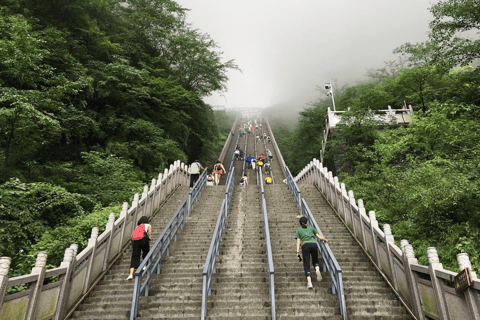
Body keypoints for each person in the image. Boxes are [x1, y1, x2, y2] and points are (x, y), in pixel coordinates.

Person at [295, 217, 328, 289]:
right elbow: (319, 237)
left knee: (306, 263)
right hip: (313, 244)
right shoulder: (312, 228)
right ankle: (317, 269)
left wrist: (297, 253)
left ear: (300, 224)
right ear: (307, 222)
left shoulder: (298, 230)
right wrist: (325, 239)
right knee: (315, 260)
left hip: (305, 245)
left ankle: (309, 283)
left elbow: (298, 242)